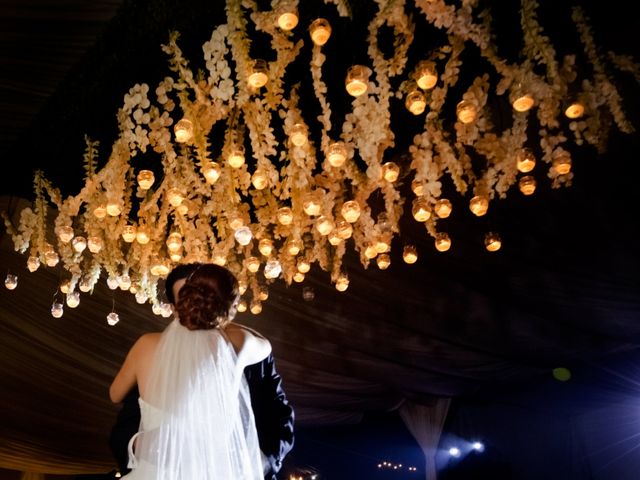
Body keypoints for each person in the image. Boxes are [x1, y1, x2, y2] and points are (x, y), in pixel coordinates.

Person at [109, 263, 294, 479]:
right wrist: (223, 320)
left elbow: (115, 394)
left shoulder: (146, 345)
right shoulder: (238, 343)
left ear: (183, 302)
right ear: (231, 305)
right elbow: (265, 345)